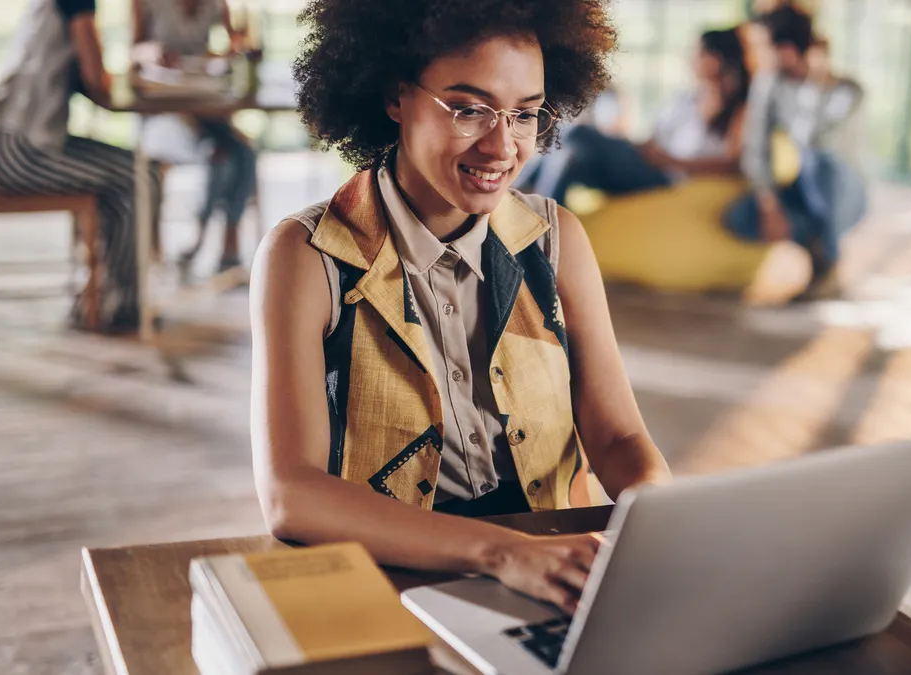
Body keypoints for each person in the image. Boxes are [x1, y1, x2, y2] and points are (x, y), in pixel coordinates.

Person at [250, 0, 672, 614]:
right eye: (469, 109)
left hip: (556, 570)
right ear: (396, 98)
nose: (503, 146)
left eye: (525, 114)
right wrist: (502, 552)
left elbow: (619, 434)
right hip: (389, 574)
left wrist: (657, 526)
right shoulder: (307, 256)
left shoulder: (556, 241)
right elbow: (292, 494)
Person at [0, 0, 161, 333]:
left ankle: (99, 297)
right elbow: (96, 78)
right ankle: (120, 307)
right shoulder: (76, 2)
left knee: (132, 173)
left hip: (14, 141)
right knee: (141, 177)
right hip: (22, 152)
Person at [520, 27, 752, 207]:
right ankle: (535, 231)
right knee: (567, 158)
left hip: (664, 176)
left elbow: (733, 164)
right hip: (645, 161)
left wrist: (671, 161)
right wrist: (627, 145)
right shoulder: (686, 99)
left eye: (699, 53)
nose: (691, 58)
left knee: (576, 132)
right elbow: (653, 141)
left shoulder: (739, 109)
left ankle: (518, 190)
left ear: (717, 59)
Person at [726, 6, 867, 298]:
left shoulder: (848, 92)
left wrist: (812, 85)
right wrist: (769, 204)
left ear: (787, 50)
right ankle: (821, 252)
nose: (754, 56)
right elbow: (756, 147)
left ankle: (827, 261)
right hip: (804, 192)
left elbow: (816, 139)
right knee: (741, 217)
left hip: (842, 195)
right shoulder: (769, 84)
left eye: (761, 47)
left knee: (821, 161)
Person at [132, 0, 258, 272]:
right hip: (161, 114)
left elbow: (237, 43)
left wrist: (226, 54)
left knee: (246, 154)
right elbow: (133, 51)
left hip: (204, 111)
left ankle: (230, 244)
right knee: (218, 156)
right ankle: (198, 240)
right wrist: (153, 52)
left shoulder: (216, 4)